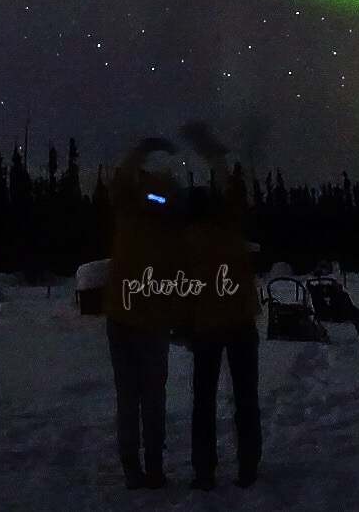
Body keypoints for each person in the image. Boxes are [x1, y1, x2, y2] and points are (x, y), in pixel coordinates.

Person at [178, 122, 262, 491]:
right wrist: (213, 155)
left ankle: (204, 471)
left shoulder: (185, 241)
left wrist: (182, 325)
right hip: (240, 322)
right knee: (245, 398)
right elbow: (234, 187)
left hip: (207, 328)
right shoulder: (230, 226)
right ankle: (247, 466)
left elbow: (180, 289)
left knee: (204, 402)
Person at [103, 136, 183, 489]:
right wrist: (144, 149)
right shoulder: (134, 212)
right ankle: (140, 466)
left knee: (141, 399)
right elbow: (122, 176)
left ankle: (146, 465)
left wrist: (143, 150)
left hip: (146, 325)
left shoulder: (139, 215)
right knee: (142, 398)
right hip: (131, 324)